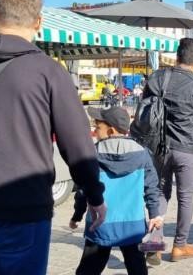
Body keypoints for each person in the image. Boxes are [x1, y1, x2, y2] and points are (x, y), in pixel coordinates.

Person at [0, 0, 106, 275]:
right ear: (39, 23)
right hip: (23, 206)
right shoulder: (49, 72)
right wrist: (94, 196)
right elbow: (78, 145)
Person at [70, 106, 163, 275]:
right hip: (132, 224)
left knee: (89, 268)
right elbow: (152, 186)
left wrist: (77, 215)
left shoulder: (93, 154)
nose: (95, 131)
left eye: (98, 127)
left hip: (99, 224)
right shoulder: (142, 154)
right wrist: (155, 213)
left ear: (111, 131)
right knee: (137, 266)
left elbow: (84, 189)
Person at [142, 38, 193, 264]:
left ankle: (154, 241)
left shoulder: (157, 77)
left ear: (177, 55)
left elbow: (145, 109)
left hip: (158, 146)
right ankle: (179, 246)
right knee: (185, 197)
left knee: (160, 192)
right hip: (186, 148)